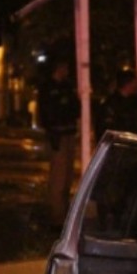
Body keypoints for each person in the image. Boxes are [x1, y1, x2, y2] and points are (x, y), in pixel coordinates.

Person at [37, 58, 80, 228]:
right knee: (58, 177)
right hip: (58, 135)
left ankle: (64, 213)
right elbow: (48, 113)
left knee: (67, 175)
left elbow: (75, 107)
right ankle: (56, 215)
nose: (67, 71)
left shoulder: (66, 87)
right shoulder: (48, 88)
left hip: (68, 133)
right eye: (64, 68)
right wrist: (53, 130)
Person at [95, 68, 137, 140]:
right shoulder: (112, 105)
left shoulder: (133, 102)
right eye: (135, 82)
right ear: (129, 84)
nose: (136, 85)